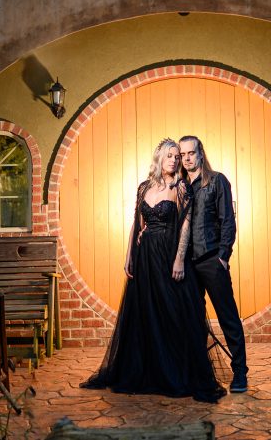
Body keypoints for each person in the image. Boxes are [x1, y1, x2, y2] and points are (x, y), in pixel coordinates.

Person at [81, 138, 226, 403]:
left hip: (169, 254)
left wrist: (180, 259)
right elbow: (136, 225)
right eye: (169, 155)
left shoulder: (181, 187)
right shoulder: (144, 187)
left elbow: (185, 224)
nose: (174, 160)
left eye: (177, 156)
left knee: (172, 313)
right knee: (145, 313)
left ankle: (173, 373)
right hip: (146, 256)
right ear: (159, 158)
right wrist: (129, 257)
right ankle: (147, 371)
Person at [179, 135, 249, 393]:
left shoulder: (217, 180)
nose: (186, 158)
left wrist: (223, 256)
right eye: (182, 154)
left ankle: (240, 372)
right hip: (188, 265)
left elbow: (228, 220)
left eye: (191, 153)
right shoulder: (181, 187)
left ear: (200, 154)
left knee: (227, 317)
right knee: (193, 319)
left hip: (211, 260)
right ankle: (199, 372)